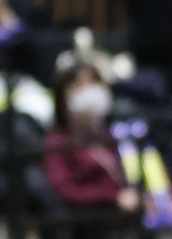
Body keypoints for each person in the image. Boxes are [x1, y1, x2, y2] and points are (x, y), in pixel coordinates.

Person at [43, 64, 139, 214]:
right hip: (92, 220)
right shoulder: (57, 142)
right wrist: (113, 197)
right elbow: (65, 190)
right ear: (62, 96)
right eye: (79, 85)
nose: (89, 92)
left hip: (130, 219)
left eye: (94, 83)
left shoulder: (116, 133)